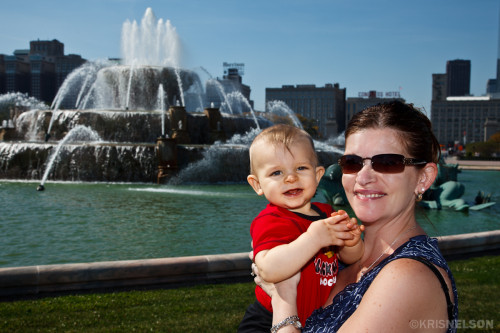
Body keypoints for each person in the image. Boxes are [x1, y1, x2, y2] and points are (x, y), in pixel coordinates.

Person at [257, 102, 458, 333]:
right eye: (352, 163)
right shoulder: (341, 254)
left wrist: (283, 299)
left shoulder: (407, 277)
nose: (363, 178)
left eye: (387, 162)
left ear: (424, 178)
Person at [238, 124, 365, 332]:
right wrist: (314, 238)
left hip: (316, 317)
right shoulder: (271, 220)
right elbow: (268, 269)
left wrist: (351, 242)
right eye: (277, 172)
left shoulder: (326, 213)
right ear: (257, 184)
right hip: (268, 320)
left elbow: (351, 258)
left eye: (301, 168)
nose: (291, 178)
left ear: (317, 175)